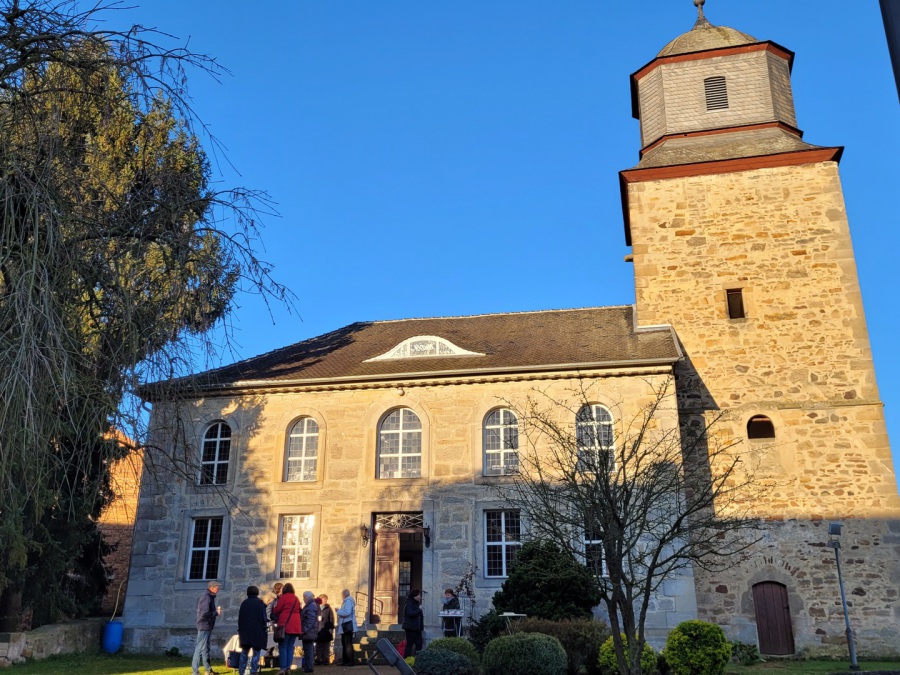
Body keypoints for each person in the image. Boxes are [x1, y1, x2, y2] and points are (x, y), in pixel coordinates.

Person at [192, 580, 222, 675]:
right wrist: (216, 613)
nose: (218, 588)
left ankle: (208, 670)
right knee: (199, 649)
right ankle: (195, 672)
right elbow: (204, 613)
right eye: (217, 587)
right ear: (211, 588)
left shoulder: (210, 597)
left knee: (205, 649)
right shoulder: (206, 598)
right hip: (204, 626)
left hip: (207, 626)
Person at [237, 585, 268, 675]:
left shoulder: (244, 603)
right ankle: (254, 670)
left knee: (244, 652)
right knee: (256, 652)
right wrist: (264, 626)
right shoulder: (260, 603)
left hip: (245, 631)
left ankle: (241, 670)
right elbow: (263, 617)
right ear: (257, 593)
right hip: (256, 631)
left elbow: (240, 618)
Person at [272, 583, 302, 675]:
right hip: (296, 625)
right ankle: (288, 667)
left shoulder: (283, 598)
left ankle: (283, 668)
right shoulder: (296, 598)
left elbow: (277, 610)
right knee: (290, 646)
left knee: (283, 646)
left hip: (285, 625)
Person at [335, 588, 357, 666]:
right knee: (344, 644)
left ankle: (350, 661)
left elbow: (347, 612)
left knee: (347, 644)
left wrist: (338, 611)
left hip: (347, 625)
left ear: (344, 595)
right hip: (345, 625)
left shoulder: (348, 601)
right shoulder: (347, 601)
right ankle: (345, 660)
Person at [300, 590, 320, 673]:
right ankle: (308, 666)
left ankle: (309, 667)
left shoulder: (311, 606)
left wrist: (304, 630)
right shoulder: (311, 605)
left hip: (309, 631)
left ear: (307, 597)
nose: (303, 599)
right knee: (308, 649)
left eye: (304, 597)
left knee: (308, 649)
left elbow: (310, 620)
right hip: (310, 631)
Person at [401, 589, 424, 658]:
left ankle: (417, 659)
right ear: (415, 596)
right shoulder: (409, 603)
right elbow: (410, 613)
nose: (420, 596)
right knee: (409, 644)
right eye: (419, 595)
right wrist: (419, 609)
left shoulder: (416, 603)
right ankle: (407, 659)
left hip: (417, 628)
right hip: (411, 628)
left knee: (419, 644)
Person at [314, 594, 335, 666]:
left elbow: (331, 619)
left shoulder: (328, 608)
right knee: (318, 645)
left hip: (326, 629)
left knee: (326, 645)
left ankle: (326, 660)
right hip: (319, 629)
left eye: (326, 599)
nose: (325, 601)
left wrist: (331, 628)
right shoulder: (316, 608)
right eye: (323, 599)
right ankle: (318, 659)